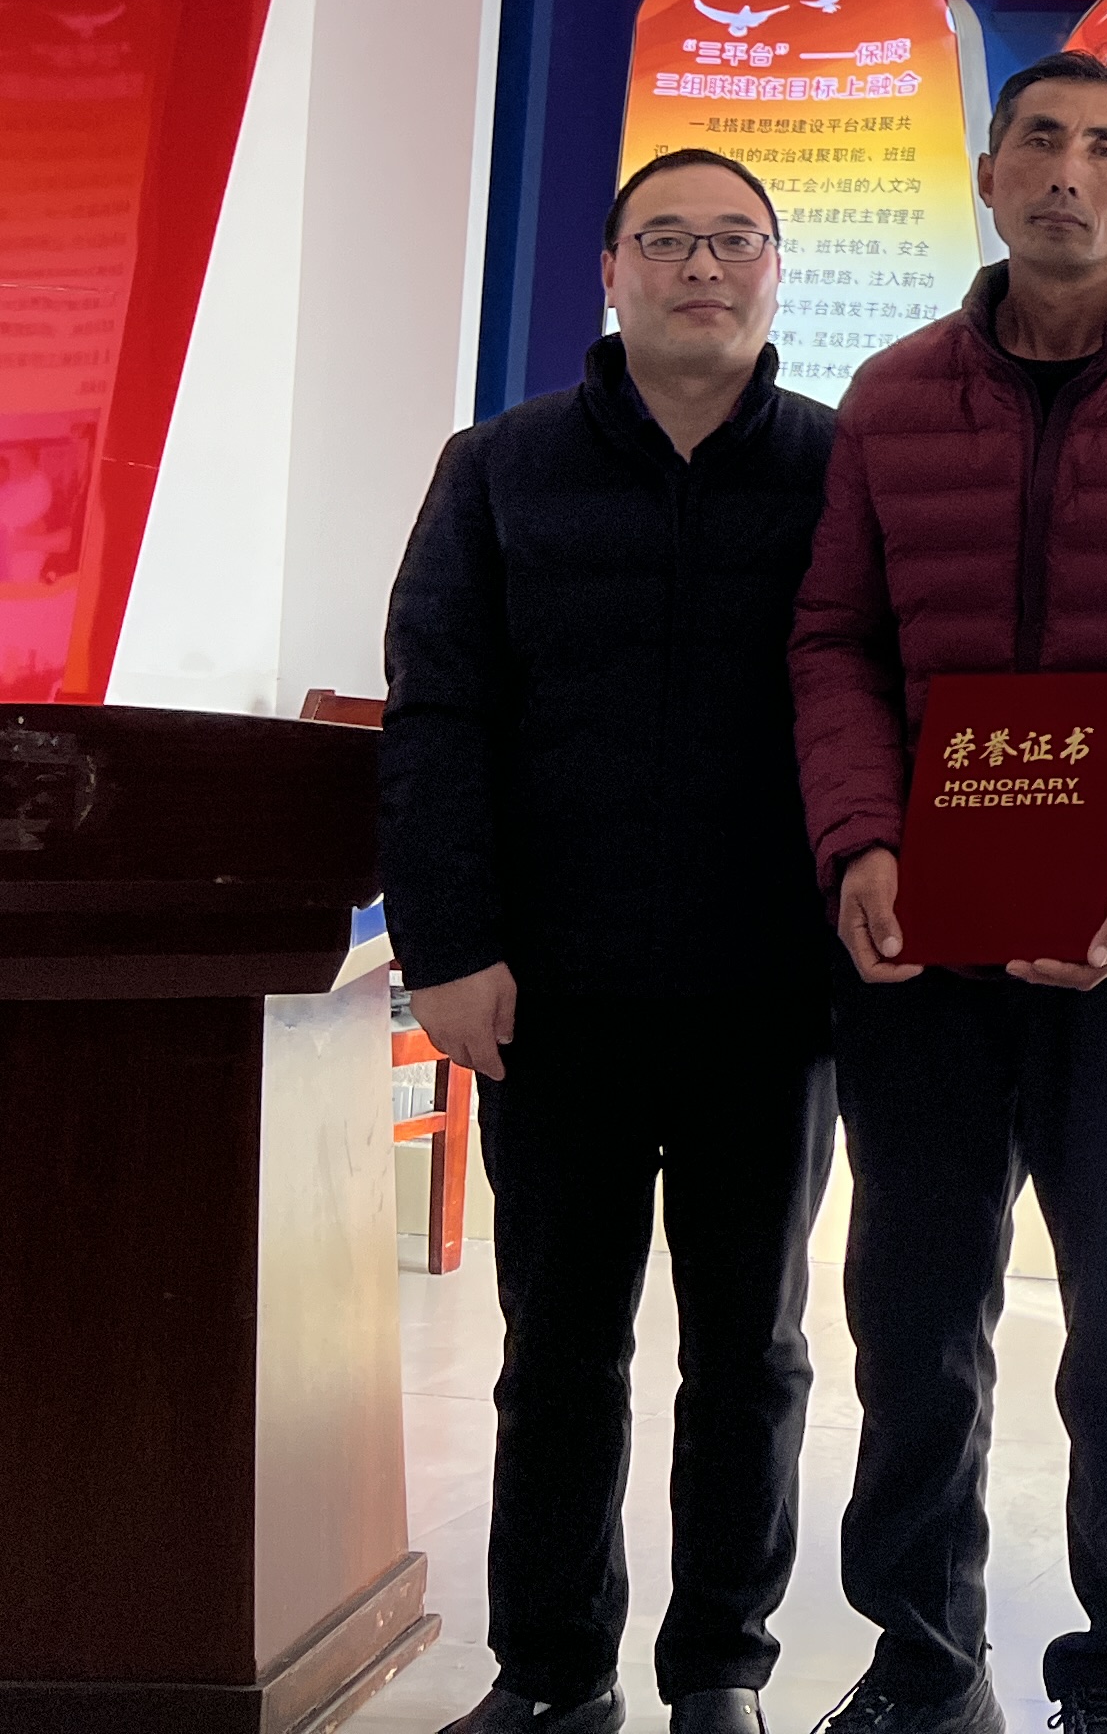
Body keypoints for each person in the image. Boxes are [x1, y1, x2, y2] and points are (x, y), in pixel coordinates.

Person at [789, 51, 1107, 1734]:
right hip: (925, 948)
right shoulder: (890, 396)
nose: (1067, 172)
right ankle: (922, 1662)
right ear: (989, 173)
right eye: (1038, 140)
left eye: (1105, 148)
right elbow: (835, 640)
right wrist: (861, 841)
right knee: (914, 1319)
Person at [380, 148, 840, 1734]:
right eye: (668, 240)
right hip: (550, 996)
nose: (702, 268)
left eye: (735, 242)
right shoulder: (499, 468)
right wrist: (448, 944)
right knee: (559, 1350)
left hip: (768, 994)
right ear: (611, 270)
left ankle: (720, 1669)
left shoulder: (841, 470)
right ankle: (552, 1675)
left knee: (751, 1353)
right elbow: (437, 716)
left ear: (775, 272)